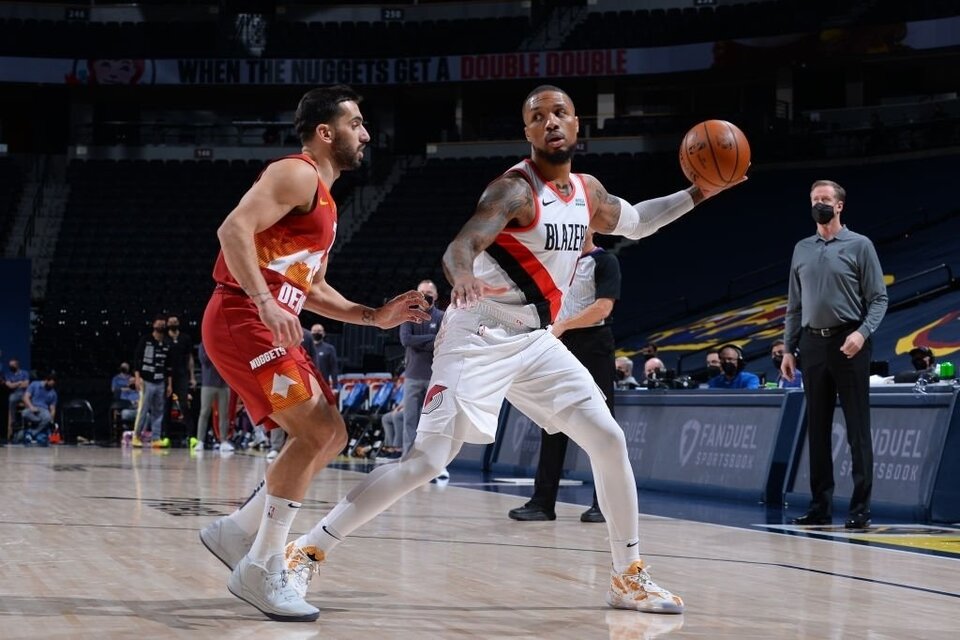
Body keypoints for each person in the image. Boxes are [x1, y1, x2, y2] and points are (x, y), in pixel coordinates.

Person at [255, 85, 744, 617]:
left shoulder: (588, 192)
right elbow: (461, 245)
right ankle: (307, 549)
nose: (550, 122)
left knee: (607, 438)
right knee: (426, 461)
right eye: (537, 117)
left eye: (559, 113)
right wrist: (462, 274)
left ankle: (628, 574)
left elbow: (640, 221)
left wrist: (699, 193)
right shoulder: (514, 190)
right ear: (528, 132)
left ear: (577, 124)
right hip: (478, 334)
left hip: (533, 340)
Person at [197, 85, 429, 622]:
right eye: (357, 123)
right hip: (243, 316)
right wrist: (263, 301)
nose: (367, 134)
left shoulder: (324, 199)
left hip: (269, 321)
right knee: (317, 432)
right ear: (326, 133)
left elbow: (314, 288)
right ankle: (260, 567)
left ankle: (237, 533)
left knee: (334, 432)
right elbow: (232, 228)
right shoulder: (297, 172)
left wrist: (374, 315)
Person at [782, 179, 887, 530]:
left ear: (840, 205)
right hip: (812, 344)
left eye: (825, 199)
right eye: (814, 199)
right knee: (818, 429)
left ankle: (860, 509)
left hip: (849, 341)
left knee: (857, 428)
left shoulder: (860, 245)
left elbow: (878, 299)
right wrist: (788, 347)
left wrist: (862, 332)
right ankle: (820, 506)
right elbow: (794, 305)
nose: (819, 204)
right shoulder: (801, 248)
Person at [509, 229, 620, 524]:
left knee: (601, 424)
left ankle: (604, 504)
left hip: (593, 342)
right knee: (553, 420)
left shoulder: (604, 261)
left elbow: (603, 308)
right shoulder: (559, 263)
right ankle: (543, 502)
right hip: (559, 342)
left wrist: (562, 326)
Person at [398, 279, 445, 455]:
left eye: (429, 293)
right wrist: (431, 339)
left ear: (436, 296)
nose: (425, 296)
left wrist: (422, 342)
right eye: (422, 293)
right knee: (410, 420)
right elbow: (406, 340)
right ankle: (408, 458)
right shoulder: (408, 315)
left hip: (435, 377)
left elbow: (442, 343)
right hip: (412, 376)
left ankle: (432, 459)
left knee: (433, 421)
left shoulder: (442, 317)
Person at [132, 315, 171, 447]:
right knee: (143, 409)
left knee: (158, 410)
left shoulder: (166, 343)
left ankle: (156, 438)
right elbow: (137, 359)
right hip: (146, 380)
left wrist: (169, 384)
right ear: (154, 324)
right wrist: (137, 378)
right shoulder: (145, 340)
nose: (160, 326)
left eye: (162, 324)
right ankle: (136, 436)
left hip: (160, 381)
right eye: (158, 323)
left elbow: (168, 366)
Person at [195, 342, 232, 453]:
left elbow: (229, 360)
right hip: (208, 383)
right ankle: (200, 441)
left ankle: (224, 441)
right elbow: (204, 360)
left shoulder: (225, 344)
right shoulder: (204, 344)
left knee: (224, 414)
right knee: (204, 412)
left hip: (224, 384)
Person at [165, 315, 196, 437]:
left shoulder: (185, 338)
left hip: (182, 375)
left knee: (184, 405)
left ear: (178, 323)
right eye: (171, 321)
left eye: (175, 321)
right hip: (167, 376)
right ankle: (165, 436)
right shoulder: (164, 338)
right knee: (166, 406)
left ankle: (191, 436)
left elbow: (190, 358)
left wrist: (192, 377)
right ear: (168, 324)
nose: (173, 323)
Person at [21, 372, 57, 439]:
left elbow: (53, 408)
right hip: (33, 407)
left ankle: (33, 433)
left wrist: (51, 420)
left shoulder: (53, 393)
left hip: (44, 410)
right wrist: (31, 407)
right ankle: (40, 423)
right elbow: (26, 397)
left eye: (52, 385)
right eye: (50, 384)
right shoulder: (35, 384)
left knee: (48, 418)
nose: (51, 386)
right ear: (46, 380)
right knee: (24, 413)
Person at [5, 357, 30, 440]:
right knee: (11, 399)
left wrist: (14, 384)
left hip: (24, 393)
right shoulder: (8, 374)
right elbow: (9, 386)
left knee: (29, 401)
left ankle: (29, 419)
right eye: (10, 365)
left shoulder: (24, 373)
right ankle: (13, 422)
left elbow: (26, 384)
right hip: (14, 394)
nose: (11, 367)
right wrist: (19, 382)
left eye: (12, 365)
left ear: (17, 365)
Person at [308, 323, 339, 389]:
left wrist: (335, 386)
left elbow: (334, 368)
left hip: (324, 384)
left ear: (323, 333)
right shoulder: (306, 348)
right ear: (310, 333)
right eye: (314, 331)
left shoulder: (329, 348)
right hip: (309, 383)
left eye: (319, 331)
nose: (316, 333)